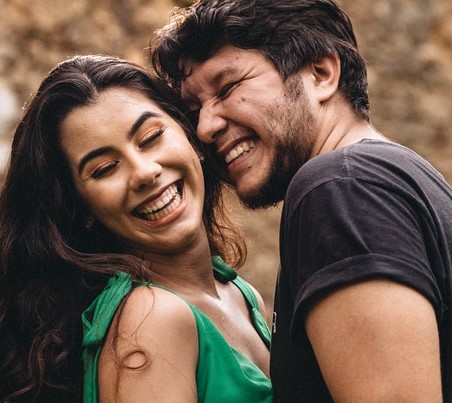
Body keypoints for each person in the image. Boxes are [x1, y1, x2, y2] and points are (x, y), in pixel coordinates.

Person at [151, 0, 452, 401]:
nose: (205, 127)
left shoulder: (338, 188)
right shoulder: (396, 177)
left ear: (321, 74)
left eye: (227, 88)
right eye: (194, 109)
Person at [0, 55, 273, 403]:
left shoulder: (242, 294)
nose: (144, 172)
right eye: (104, 169)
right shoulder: (152, 319)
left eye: (151, 137)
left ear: (189, 134)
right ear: (81, 208)